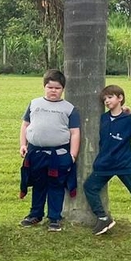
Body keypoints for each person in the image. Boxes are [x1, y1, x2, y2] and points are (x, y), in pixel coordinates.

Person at [85, 85, 131, 238]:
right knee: (89, 187)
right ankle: (103, 218)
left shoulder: (128, 119)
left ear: (120, 98)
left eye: (110, 97)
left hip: (125, 165)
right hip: (105, 164)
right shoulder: (103, 118)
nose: (107, 101)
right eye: (104, 99)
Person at [20, 69, 81, 232]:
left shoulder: (69, 108)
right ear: (44, 87)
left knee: (56, 185)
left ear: (63, 89)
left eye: (57, 88)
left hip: (58, 155)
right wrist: (23, 144)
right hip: (36, 153)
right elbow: (25, 125)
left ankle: (54, 218)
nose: (53, 91)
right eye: (50, 87)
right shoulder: (34, 104)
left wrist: (73, 155)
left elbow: (75, 132)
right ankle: (35, 214)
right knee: (38, 184)